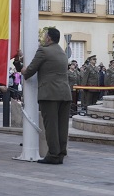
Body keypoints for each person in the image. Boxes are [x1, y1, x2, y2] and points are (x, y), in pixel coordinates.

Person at [20, 28, 71, 165]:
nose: (43, 38)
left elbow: (29, 71)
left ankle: (53, 155)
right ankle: (61, 153)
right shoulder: (62, 52)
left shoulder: (43, 50)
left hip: (50, 94)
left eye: (44, 36)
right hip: (65, 94)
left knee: (51, 126)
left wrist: (22, 68)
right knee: (62, 126)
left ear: (48, 38)